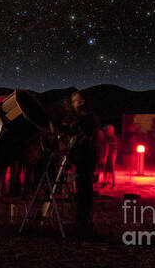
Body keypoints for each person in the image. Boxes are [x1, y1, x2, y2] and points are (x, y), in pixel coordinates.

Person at [65, 91, 99, 229]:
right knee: (82, 188)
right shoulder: (81, 118)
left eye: (75, 101)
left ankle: (84, 219)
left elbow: (86, 133)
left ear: (82, 101)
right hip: (82, 156)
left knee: (85, 189)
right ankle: (82, 218)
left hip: (86, 157)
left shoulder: (87, 118)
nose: (74, 104)